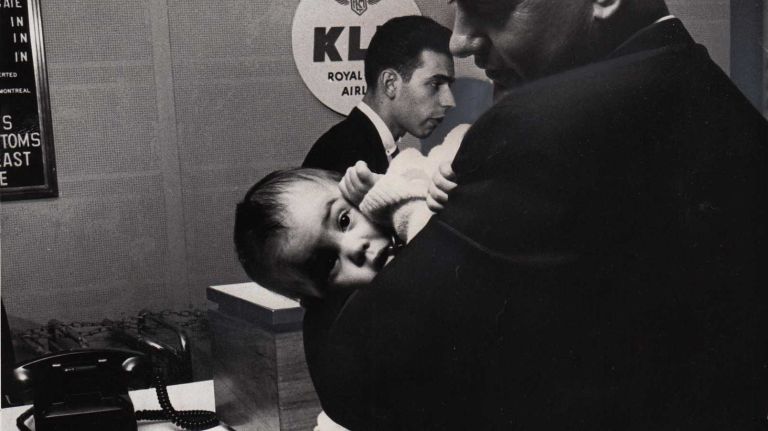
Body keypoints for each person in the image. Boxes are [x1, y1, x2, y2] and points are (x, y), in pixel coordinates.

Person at [307, 0, 768, 429]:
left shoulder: (538, 126)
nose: (459, 40)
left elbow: (358, 375)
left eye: (488, 4)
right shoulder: (728, 107)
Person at [302, 15, 456, 174]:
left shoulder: (365, 146)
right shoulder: (343, 157)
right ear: (390, 84)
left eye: (449, 86)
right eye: (435, 84)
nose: (449, 101)